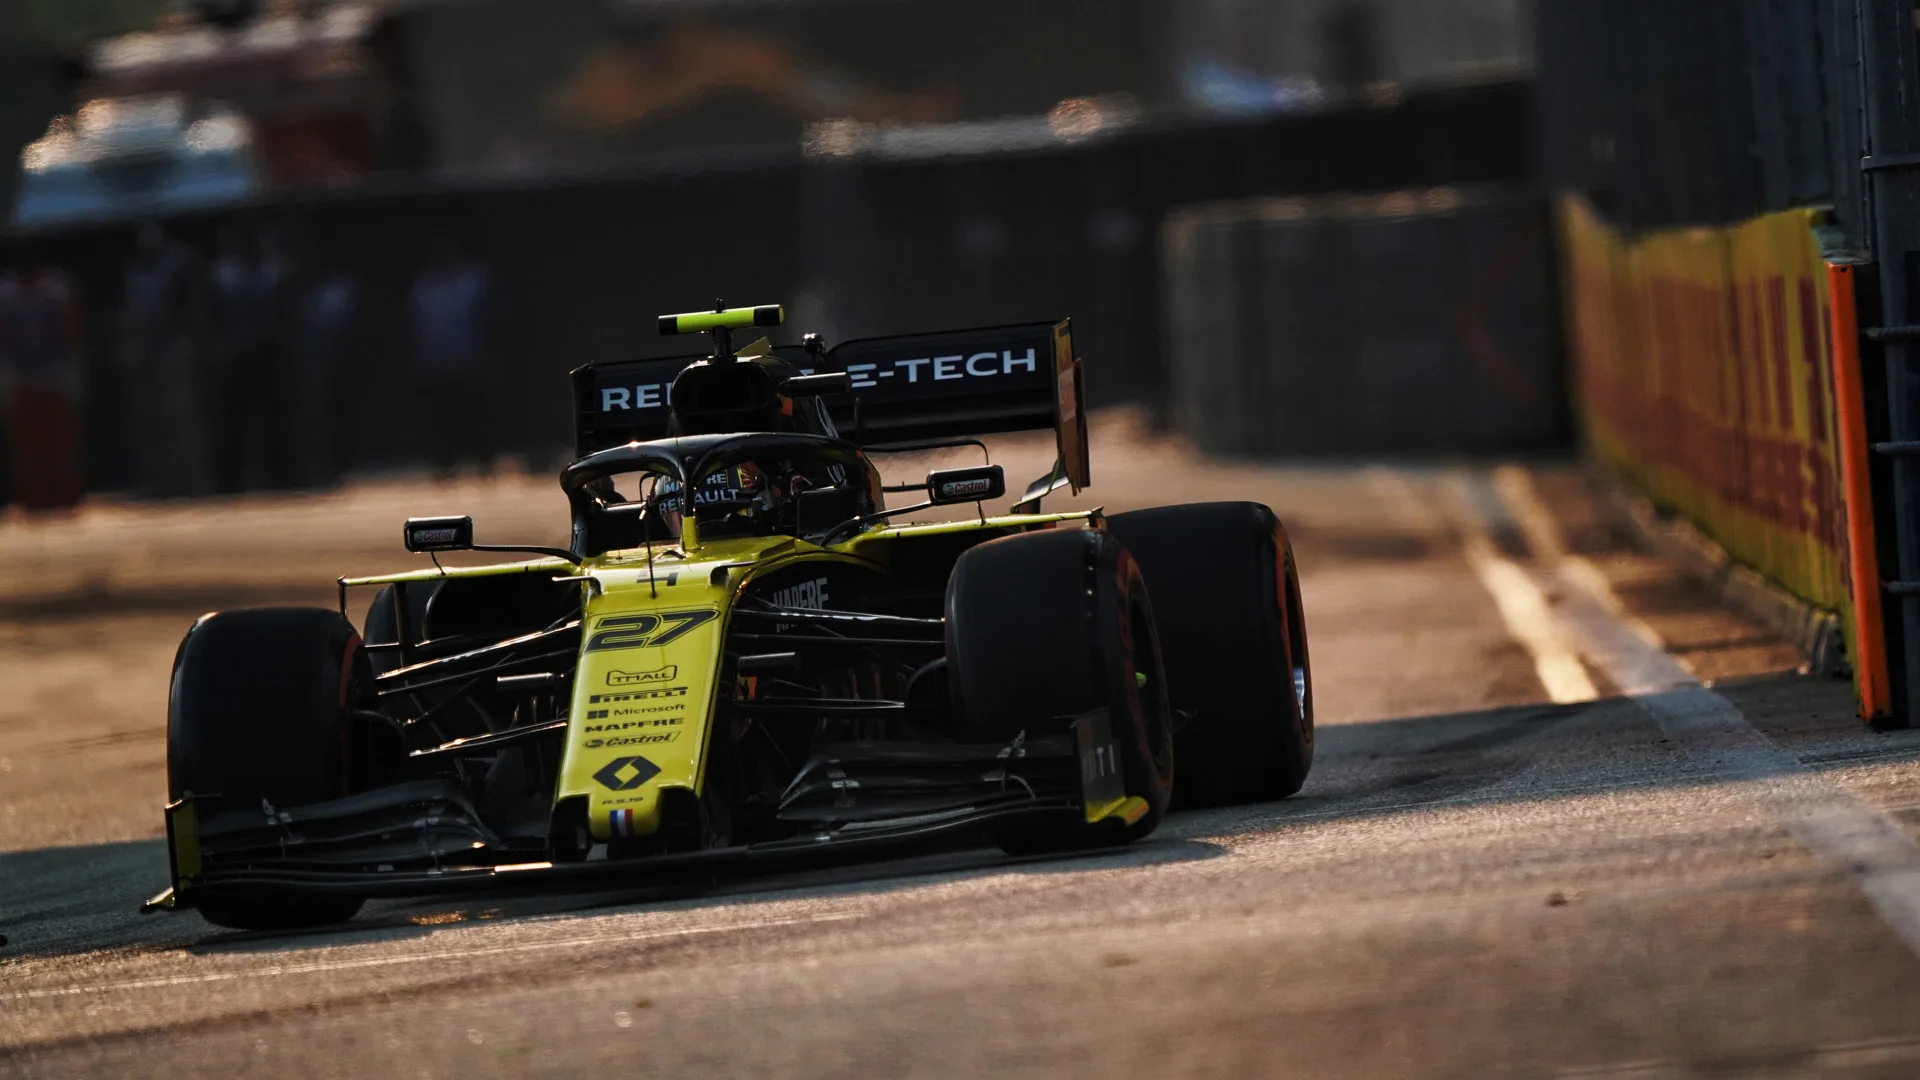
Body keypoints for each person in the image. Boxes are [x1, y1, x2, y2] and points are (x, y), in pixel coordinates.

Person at [121, 223, 210, 497]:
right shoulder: (135, 275)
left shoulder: (176, 267)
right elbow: (132, 316)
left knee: (181, 419)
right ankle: (161, 482)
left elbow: (187, 309)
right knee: (152, 421)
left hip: (173, 350)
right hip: (147, 350)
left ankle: (193, 481)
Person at [0, 251, 86, 512]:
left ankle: (65, 498)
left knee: (60, 440)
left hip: (53, 371)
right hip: (22, 373)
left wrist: (71, 366)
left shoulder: (57, 289)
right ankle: (35, 501)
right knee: (28, 444)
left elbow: (71, 328)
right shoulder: (6, 292)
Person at [409, 239, 494, 479]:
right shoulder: (424, 285)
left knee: (476, 411)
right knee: (443, 414)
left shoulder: (473, 280)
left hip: (470, 356)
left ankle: (483, 461)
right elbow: (418, 324)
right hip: (437, 360)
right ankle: (446, 462)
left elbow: (487, 318)